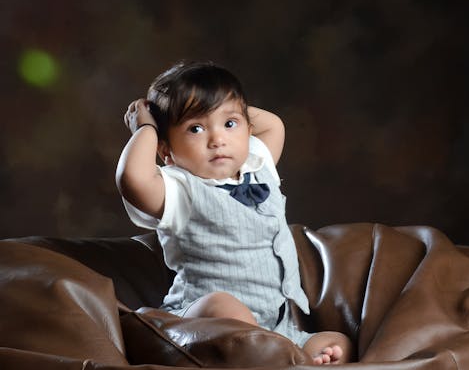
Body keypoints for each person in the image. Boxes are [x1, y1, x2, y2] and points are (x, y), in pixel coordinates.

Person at [116, 61, 352, 365]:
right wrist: (148, 125)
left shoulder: (257, 164)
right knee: (225, 306)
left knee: (337, 342)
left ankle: (289, 358)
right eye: (195, 128)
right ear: (166, 151)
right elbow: (131, 179)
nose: (217, 140)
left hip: (276, 328)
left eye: (230, 124)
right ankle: (270, 357)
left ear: (247, 129)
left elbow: (273, 125)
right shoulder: (179, 188)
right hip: (202, 322)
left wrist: (218, 102)